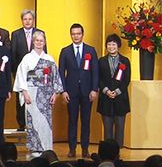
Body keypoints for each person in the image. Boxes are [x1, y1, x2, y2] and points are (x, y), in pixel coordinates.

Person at [13, 31, 63, 157]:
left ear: (44, 42)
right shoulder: (27, 58)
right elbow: (21, 76)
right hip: (32, 92)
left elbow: (55, 78)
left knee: (45, 122)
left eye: (41, 41)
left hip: (46, 94)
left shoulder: (49, 59)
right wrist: (24, 93)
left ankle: (46, 148)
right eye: (37, 40)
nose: (39, 43)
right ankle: (35, 148)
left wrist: (55, 94)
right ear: (33, 42)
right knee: (33, 121)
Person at [58, 23, 99, 158]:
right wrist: (63, 91)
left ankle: (85, 149)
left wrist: (94, 89)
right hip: (71, 92)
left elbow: (95, 72)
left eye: (78, 33)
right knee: (72, 121)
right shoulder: (65, 51)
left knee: (86, 121)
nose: (76, 36)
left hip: (87, 92)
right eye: (73, 34)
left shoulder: (91, 50)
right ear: (71, 35)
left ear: (82, 34)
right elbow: (61, 72)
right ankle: (72, 149)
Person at [10, 9, 46, 131]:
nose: (27, 21)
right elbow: (13, 54)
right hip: (20, 72)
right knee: (20, 98)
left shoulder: (40, 33)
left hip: (37, 74)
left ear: (33, 20)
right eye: (25, 19)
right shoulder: (16, 34)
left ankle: (35, 123)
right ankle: (21, 124)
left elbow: (44, 53)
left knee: (35, 98)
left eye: (30, 19)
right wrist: (16, 73)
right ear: (22, 20)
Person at [96, 34, 131, 148]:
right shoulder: (101, 61)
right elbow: (98, 79)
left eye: (114, 44)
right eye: (109, 44)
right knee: (107, 129)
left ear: (118, 46)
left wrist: (116, 92)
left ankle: (118, 154)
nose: (111, 47)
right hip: (105, 99)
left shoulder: (125, 61)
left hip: (120, 99)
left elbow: (126, 80)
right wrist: (106, 91)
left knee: (120, 128)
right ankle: (108, 152)